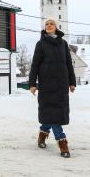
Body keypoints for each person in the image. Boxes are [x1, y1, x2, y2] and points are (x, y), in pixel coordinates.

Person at [28, 18, 76, 158]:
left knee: (52, 116)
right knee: (52, 116)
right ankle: (63, 145)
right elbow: (35, 65)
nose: (49, 26)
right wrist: (32, 84)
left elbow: (69, 64)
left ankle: (42, 135)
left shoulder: (63, 43)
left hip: (61, 84)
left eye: (51, 24)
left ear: (56, 27)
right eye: (47, 24)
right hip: (46, 84)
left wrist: (72, 82)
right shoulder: (41, 44)